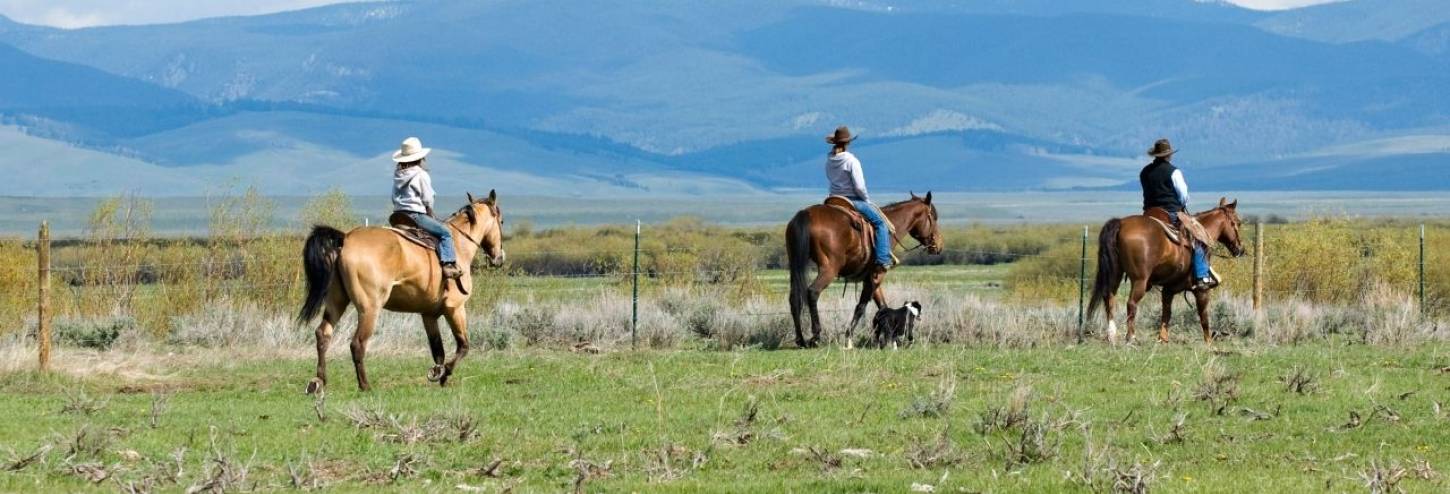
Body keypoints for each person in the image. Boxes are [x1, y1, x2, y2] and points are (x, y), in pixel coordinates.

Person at [1140, 138, 1215, 290]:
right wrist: (1181, 205)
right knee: (1197, 237)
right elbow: (1183, 195)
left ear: (1155, 154)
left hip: (1148, 214)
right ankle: (1202, 277)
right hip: (1170, 212)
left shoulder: (1144, 172)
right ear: (1169, 155)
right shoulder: (1174, 171)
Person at [391, 136, 463, 280]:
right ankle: (448, 265)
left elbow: (393, 197)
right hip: (416, 216)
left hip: (398, 215)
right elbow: (428, 199)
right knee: (446, 233)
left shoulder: (397, 175)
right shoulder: (421, 174)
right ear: (419, 157)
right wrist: (430, 210)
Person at [824, 126, 892, 273]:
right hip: (852, 201)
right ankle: (883, 259)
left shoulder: (829, 160)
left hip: (833, 200)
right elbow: (860, 187)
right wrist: (867, 200)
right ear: (848, 143)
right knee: (881, 223)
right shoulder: (852, 161)